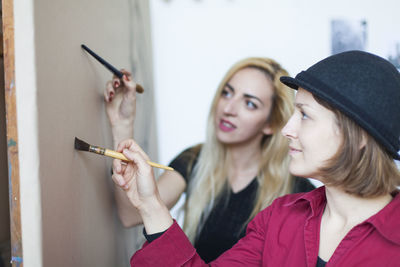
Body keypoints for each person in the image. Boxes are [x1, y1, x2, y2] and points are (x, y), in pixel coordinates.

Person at [112, 50, 400, 266]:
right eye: (227, 93)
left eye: (305, 115)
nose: (288, 130)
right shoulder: (279, 217)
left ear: (359, 137)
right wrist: (149, 204)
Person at [105, 58, 315, 262]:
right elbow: (131, 215)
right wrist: (123, 126)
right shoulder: (194, 159)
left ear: (271, 123)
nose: (228, 109)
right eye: (227, 93)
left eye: (249, 103)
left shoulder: (300, 193)